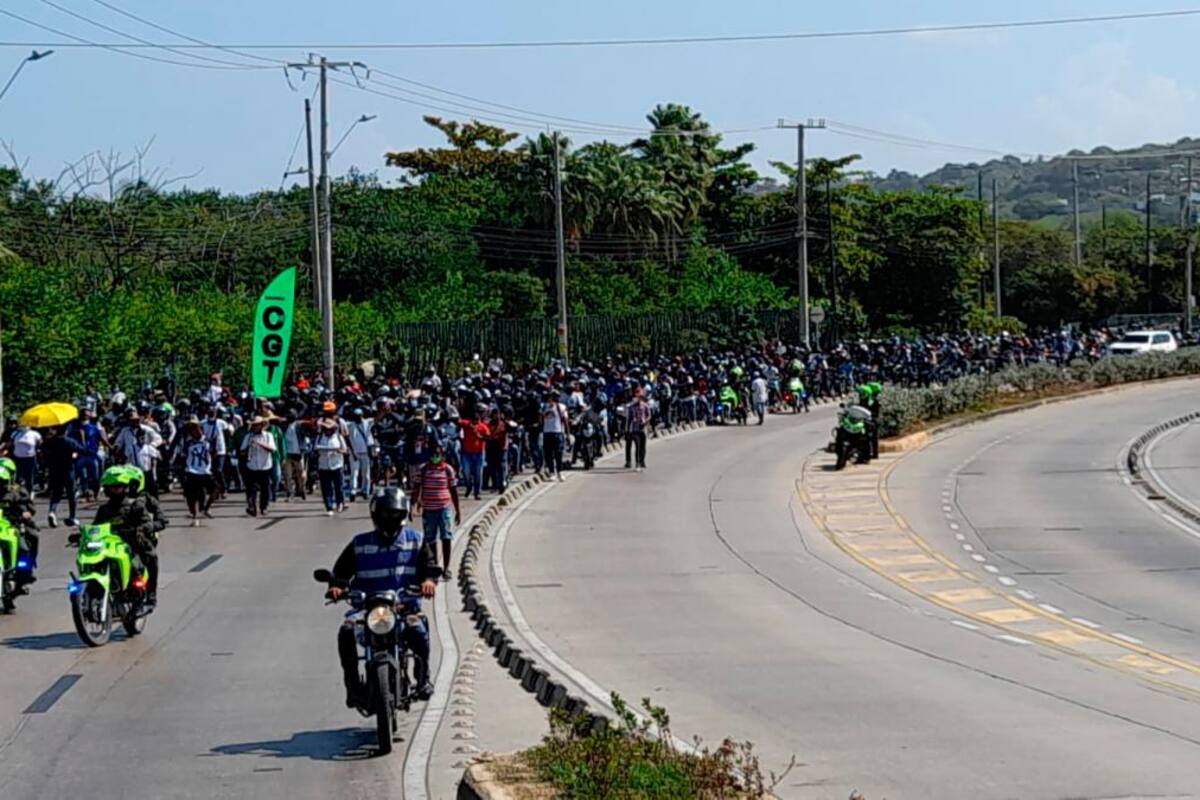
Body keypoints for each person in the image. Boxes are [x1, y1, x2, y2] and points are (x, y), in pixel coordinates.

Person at [325, 488, 439, 706]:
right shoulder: (360, 544)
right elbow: (340, 572)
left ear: (403, 514)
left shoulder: (416, 541)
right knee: (346, 631)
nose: (390, 519)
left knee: (418, 631)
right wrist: (336, 587)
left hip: (404, 609)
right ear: (375, 515)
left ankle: (423, 678)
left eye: (394, 514)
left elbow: (431, 568)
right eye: (385, 514)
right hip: (366, 611)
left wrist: (428, 583)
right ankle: (352, 685)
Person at [90, 466, 164, 608]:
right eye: (111, 488)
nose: (114, 490)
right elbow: (95, 527)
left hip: (134, 545)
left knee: (150, 558)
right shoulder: (103, 510)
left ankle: (151, 595)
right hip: (110, 547)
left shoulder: (135, 505)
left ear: (125, 487)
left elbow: (149, 522)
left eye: (118, 487)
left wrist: (143, 529)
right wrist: (82, 534)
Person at [412, 441, 460, 580]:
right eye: (433, 455)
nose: (435, 457)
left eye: (438, 454)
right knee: (430, 539)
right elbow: (416, 488)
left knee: (446, 537)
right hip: (428, 510)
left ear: (442, 455)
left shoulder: (447, 470)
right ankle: (434, 566)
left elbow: (453, 490)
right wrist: (412, 504)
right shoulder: (423, 469)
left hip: (444, 508)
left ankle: (446, 568)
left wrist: (457, 510)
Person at [0, 460, 38, 590]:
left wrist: (25, 513)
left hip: (11, 525)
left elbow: (29, 507)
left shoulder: (18, 490)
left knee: (28, 542)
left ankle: (24, 574)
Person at [42, 425, 83, 527]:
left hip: (54, 471)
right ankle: (72, 516)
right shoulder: (69, 441)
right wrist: (75, 454)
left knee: (56, 493)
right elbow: (82, 450)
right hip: (68, 470)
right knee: (71, 495)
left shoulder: (50, 441)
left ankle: (52, 511)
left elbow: (43, 449)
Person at [179, 417, 214, 524]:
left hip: (205, 470)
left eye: (196, 428)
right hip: (192, 471)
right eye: (191, 429)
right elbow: (183, 456)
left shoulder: (208, 441)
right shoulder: (188, 443)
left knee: (215, 489)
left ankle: (205, 508)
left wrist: (210, 464)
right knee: (192, 495)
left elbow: (214, 453)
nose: (194, 431)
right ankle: (194, 515)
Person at [240, 416, 276, 517]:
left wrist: (260, 443)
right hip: (252, 466)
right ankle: (252, 508)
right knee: (251, 489)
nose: (255, 427)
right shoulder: (248, 437)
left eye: (257, 425)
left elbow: (272, 449)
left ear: (261, 426)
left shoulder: (268, 436)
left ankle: (263, 507)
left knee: (265, 489)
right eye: (254, 425)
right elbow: (242, 451)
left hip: (265, 466)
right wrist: (248, 448)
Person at [314, 418, 348, 516]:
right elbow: (316, 448)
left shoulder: (338, 437)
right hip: (324, 466)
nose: (328, 430)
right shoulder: (320, 437)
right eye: (326, 428)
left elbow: (345, 450)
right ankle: (329, 506)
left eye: (330, 429)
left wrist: (338, 451)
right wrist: (322, 450)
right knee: (326, 488)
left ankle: (340, 503)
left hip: (337, 465)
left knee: (339, 486)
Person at [457, 408, 488, 501]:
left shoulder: (483, 427)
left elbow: (488, 437)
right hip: (467, 453)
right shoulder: (467, 424)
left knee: (479, 473)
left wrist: (480, 436)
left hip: (479, 453)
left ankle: (477, 492)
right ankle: (469, 486)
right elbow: (458, 421)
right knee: (466, 472)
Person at [541, 391, 569, 482]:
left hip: (557, 432)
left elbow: (565, 420)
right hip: (547, 432)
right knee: (548, 454)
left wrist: (567, 434)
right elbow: (541, 418)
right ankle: (551, 472)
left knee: (558, 454)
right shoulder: (545, 407)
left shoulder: (561, 407)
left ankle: (560, 472)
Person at [347, 408, 374, 501]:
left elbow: (377, 418)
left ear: (362, 415)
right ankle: (352, 492)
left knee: (366, 474)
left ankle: (365, 491)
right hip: (354, 453)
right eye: (356, 416)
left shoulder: (367, 423)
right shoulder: (350, 425)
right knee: (354, 473)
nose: (358, 418)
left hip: (365, 453)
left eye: (359, 416)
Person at [624, 388, 651, 472]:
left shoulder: (645, 406)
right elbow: (629, 419)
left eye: (640, 397)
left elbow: (649, 415)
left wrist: (645, 421)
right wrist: (627, 429)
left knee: (643, 447)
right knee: (637, 446)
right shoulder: (631, 407)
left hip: (643, 428)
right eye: (637, 397)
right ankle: (637, 463)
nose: (639, 399)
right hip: (635, 429)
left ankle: (642, 460)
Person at [282, 416, 308, 501]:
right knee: (288, 474)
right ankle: (289, 492)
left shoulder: (299, 426)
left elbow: (305, 434)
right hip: (287, 453)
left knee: (301, 473)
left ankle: (302, 489)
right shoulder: (284, 426)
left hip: (298, 452)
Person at [11, 423, 41, 495]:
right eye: (23, 425)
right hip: (18, 458)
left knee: (29, 476)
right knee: (17, 477)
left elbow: (39, 443)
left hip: (30, 458)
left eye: (26, 425)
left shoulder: (35, 434)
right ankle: (16, 494)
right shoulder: (15, 433)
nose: (24, 426)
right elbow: (10, 443)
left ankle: (30, 492)